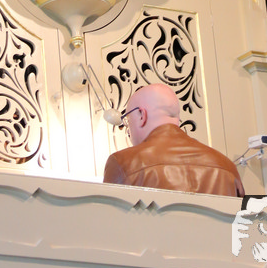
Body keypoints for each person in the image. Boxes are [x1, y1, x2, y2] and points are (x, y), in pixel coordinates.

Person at [103, 82, 244, 197]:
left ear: (141, 115)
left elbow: (109, 221)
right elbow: (244, 222)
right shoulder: (228, 167)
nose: (128, 130)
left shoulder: (123, 163)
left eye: (128, 120)